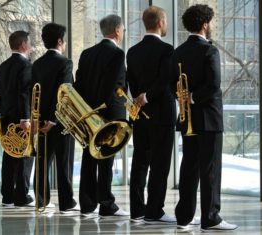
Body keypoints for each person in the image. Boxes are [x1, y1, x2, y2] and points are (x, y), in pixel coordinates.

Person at [170, 4, 238, 231]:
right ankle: (210, 218)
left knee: (188, 167)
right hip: (209, 119)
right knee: (210, 170)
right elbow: (214, 86)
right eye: (210, 22)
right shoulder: (210, 51)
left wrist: (185, 98)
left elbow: (172, 86)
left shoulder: (177, 51)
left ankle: (184, 218)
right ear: (204, 25)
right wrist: (193, 98)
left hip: (188, 119)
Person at [126, 6, 177, 224]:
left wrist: (140, 98)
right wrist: (147, 97)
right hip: (162, 114)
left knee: (139, 161)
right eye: (165, 21)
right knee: (160, 164)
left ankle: (137, 210)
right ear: (160, 23)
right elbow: (166, 80)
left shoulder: (132, 51)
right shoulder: (167, 50)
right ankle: (154, 211)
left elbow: (132, 82)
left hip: (140, 115)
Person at [74, 14, 129, 217]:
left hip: (87, 113)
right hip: (108, 114)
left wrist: (88, 111)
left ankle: (87, 205)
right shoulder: (117, 54)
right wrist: (103, 113)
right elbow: (113, 86)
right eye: (123, 29)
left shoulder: (87, 53)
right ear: (116, 30)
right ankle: (106, 204)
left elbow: (78, 85)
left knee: (89, 156)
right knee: (106, 158)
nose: (123, 33)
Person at [31, 23, 78, 212]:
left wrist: (39, 120)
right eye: (64, 40)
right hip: (61, 122)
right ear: (60, 41)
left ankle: (41, 200)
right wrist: (53, 120)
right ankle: (66, 203)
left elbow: (34, 93)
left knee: (42, 161)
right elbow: (64, 93)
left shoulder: (37, 64)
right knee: (64, 163)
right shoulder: (65, 63)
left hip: (41, 121)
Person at [0, 30, 34, 208]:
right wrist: (26, 118)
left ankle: (7, 197)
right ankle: (21, 197)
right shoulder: (26, 65)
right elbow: (24, 93)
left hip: (6, 118)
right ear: (24, 45)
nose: (31, 47)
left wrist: (0, 113)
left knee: (9, 157)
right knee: (24, 156)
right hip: (21, 119)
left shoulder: (3, 66)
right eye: (30, 43)